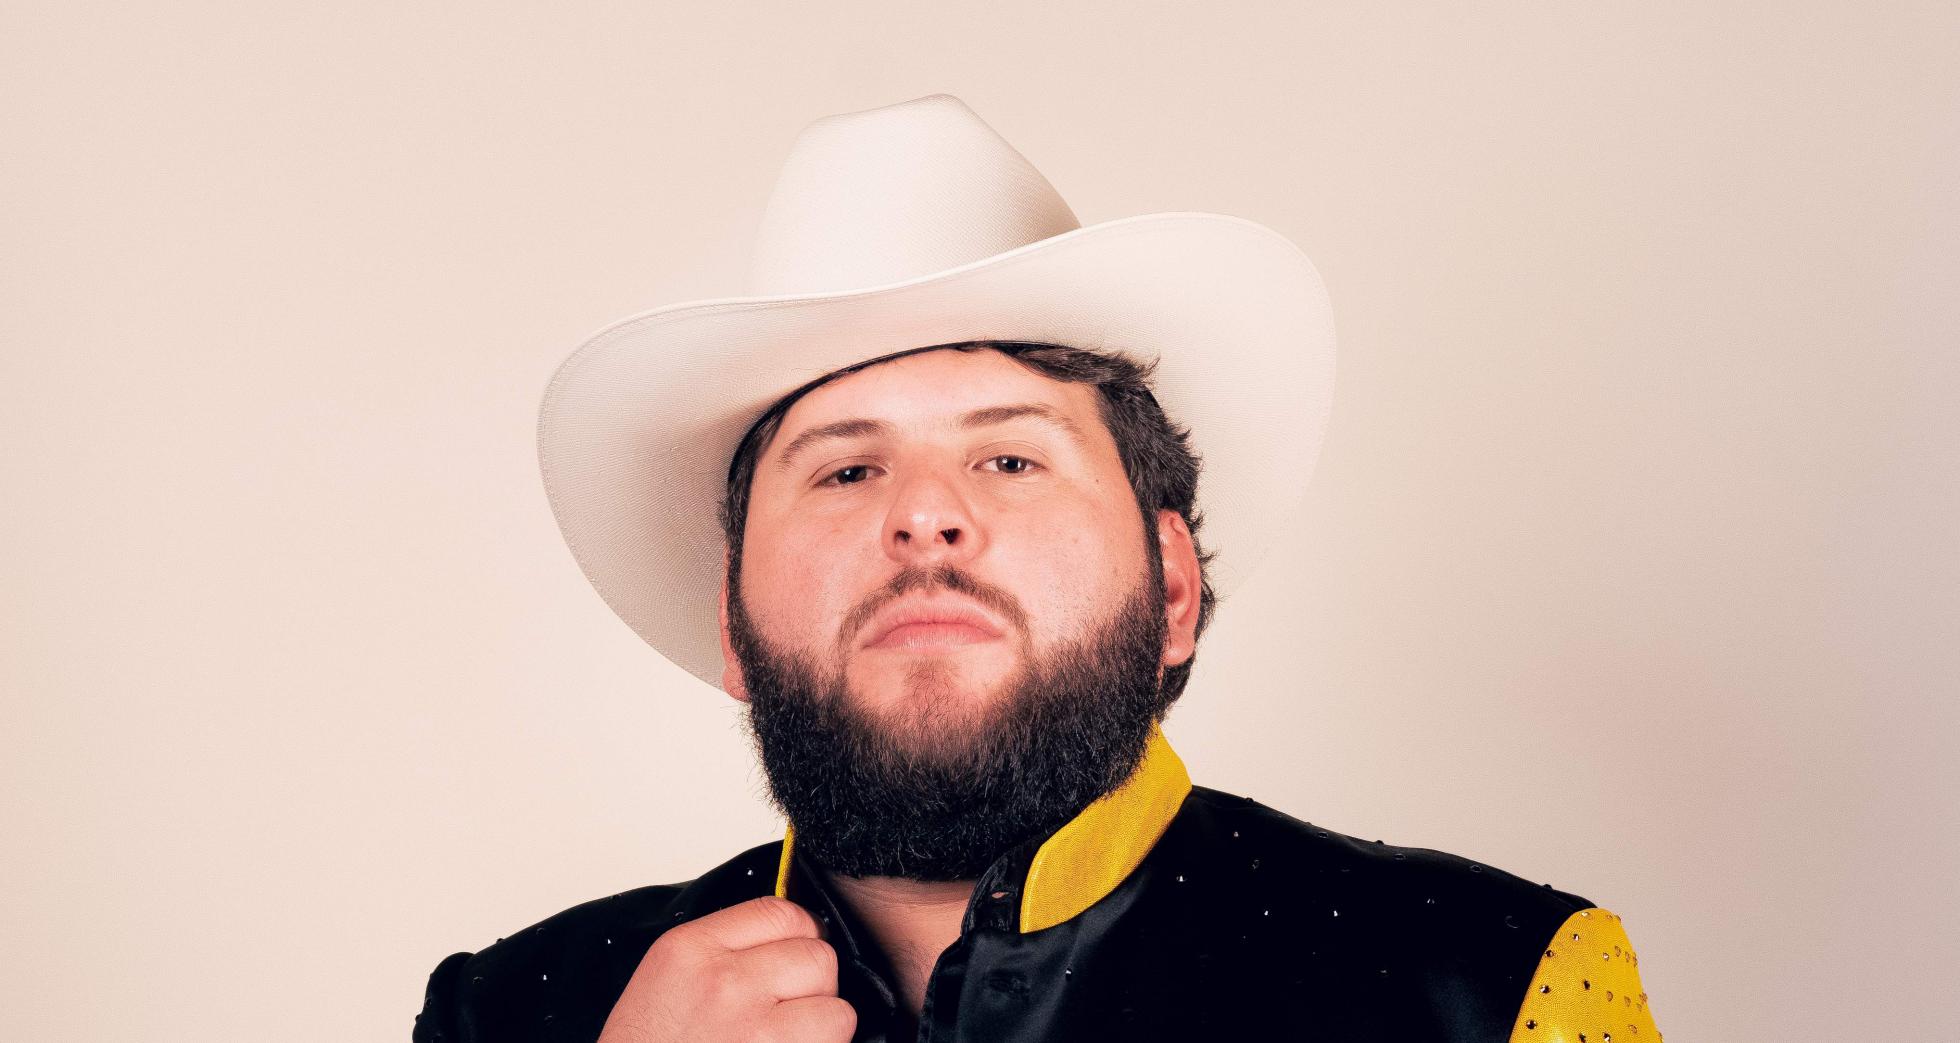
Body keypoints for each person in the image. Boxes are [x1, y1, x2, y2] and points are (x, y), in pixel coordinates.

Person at [412, 94, 1660, 1043]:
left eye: (1010, 459)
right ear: (733, 628)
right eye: (844, 470)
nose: (924, 517)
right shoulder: (509, 1013)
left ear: (1172, 590)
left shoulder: (1498, 985)